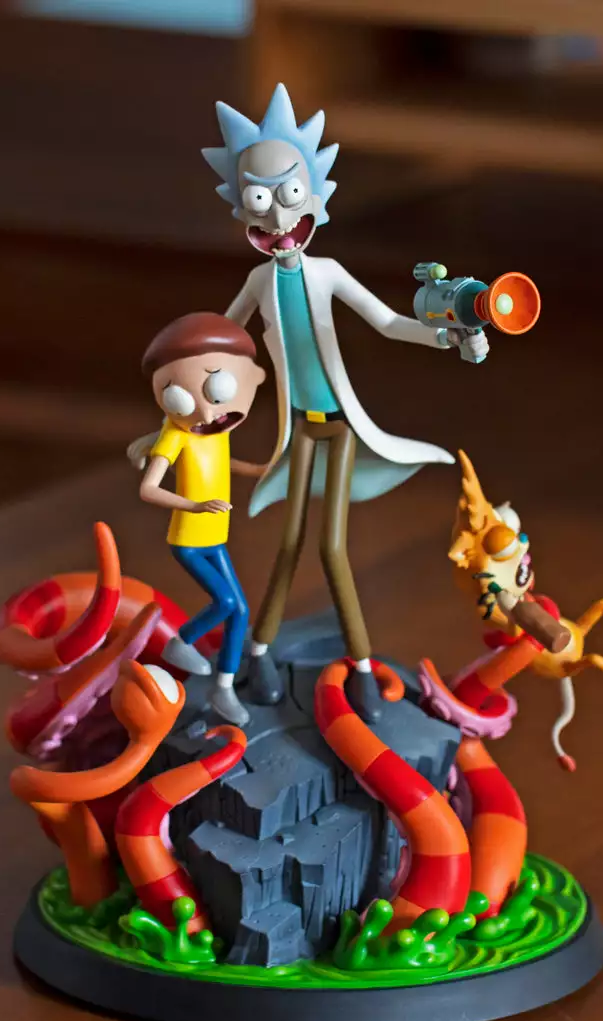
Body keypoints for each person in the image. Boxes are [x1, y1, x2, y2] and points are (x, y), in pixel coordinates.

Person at [202, 83, 489, 720]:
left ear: (314, 198)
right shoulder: (258, 281)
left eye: (289, 196)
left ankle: (360, 667)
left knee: (331, 549)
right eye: (260, 200)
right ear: (242, 208)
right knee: (288, 544)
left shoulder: (326, 273)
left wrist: (449, 336)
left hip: (340, 430)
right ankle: (259, 655)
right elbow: (223, 342)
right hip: (298, 432)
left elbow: (388, 322)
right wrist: (191, 402)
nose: (279, 219)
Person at [134, 312, 267, 726]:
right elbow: (148, 489)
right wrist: (194, 506)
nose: (207, 412)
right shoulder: (174, 436)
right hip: (189, 541)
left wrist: (259, 470)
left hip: (215, 537)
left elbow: (225, 465)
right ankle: (182, 642)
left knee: (240, 611)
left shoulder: (218, 431)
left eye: (217, 389)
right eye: (181, 398)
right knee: (225, 602)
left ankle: (223, 688)